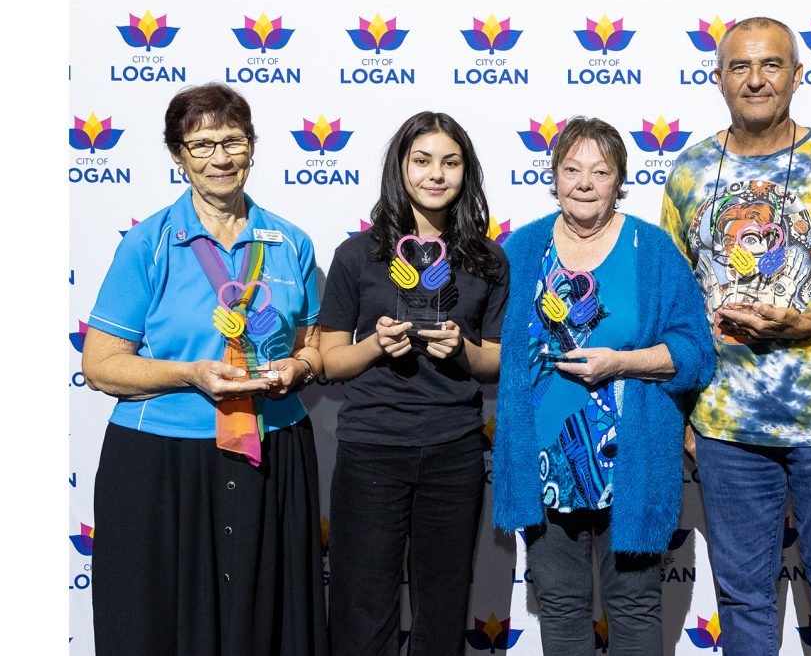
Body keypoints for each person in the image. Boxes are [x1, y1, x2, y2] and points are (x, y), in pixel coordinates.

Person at [660, 17, 811, 654]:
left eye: (771, 65)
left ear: (797, 74)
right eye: (740, 66)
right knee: (741, 594)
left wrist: (808, 322)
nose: (756, 79)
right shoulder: (689, 172)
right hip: (727, 424)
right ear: (718, 79)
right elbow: (676, 303)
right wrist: (682, 409)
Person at [82, 82, 328, 656]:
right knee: (161, 624)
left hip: (274, 450)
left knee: (262, 623)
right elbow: (100, 366)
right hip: (164, 462)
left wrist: (299, 366)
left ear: (252, 147)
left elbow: (316, 344)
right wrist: (189, 373)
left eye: (233, 141)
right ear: (177, 156)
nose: (220, 157)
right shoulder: (148, 244)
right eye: (202, 145)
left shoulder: (291, 240)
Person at [492, 116, 714, 656]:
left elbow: (695, 352)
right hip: (543, 467)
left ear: (619, 179)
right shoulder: (520, 251)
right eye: (571, 169)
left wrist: (620, 364)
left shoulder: (653, 249)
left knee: (635, 609)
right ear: (553, 174)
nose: (584, 182)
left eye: (600, 170)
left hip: (629, 463)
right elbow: (497, 349)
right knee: (562, 608)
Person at [318, 111, 508, 656]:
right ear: (400, 167)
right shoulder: (358, 255)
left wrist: (463, 351)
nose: (435, 174)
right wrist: (376, 344)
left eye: (450, 162)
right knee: (361, 602)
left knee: (444, 602)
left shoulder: (487, 259)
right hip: (372, 448)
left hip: (454, 449)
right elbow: (329, 360)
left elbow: (495, 360)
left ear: (465, 173)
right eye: (421, 160)